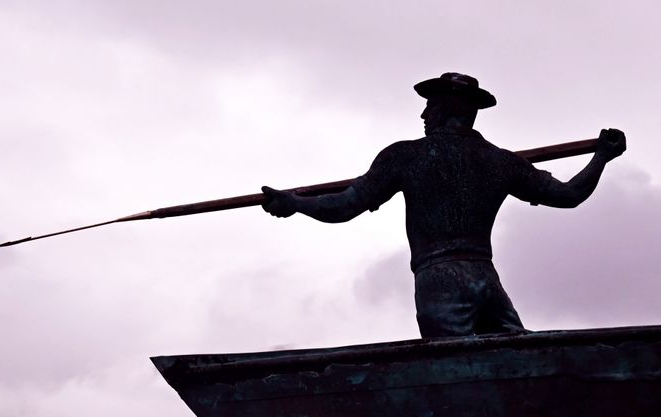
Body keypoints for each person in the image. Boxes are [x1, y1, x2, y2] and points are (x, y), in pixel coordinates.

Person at [261, 72, 626, 338]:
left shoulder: (406, 156)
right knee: (515, 356)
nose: (423, 115)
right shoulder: (501, 161)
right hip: (486, 279)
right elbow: (569, 195)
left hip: (439, 279)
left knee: (452, 365)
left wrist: (295, 203)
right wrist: (600, 158)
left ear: (447, 108)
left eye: (430, 106)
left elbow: (344, 206)